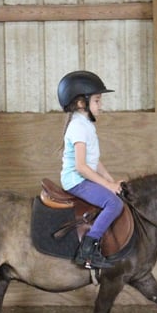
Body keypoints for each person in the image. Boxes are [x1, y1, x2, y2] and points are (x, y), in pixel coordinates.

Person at [58, 70, 124, 269]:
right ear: (81, 103)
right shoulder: (78, 127)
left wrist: (112, 182)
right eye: (97, 100)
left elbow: (95, 161)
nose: (100, 105)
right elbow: (81, 166)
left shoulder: (85, 124)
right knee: (113, 204)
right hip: (76, 180)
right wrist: (107, 186)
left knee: (116, 195)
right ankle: (87, 249)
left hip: (83, 177)